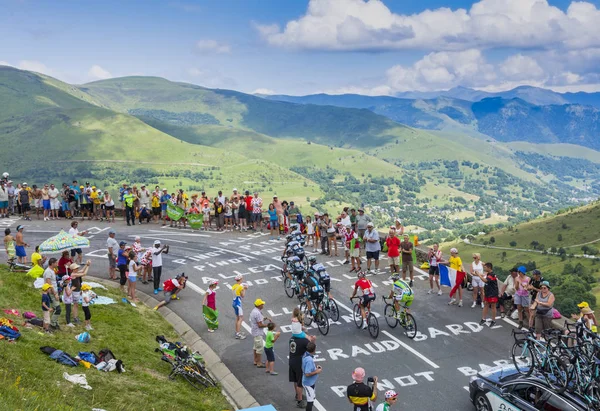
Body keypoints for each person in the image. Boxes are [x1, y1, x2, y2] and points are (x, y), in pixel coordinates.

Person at [289, 327, 315, 409]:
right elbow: (311, 348)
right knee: (300, 383)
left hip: (292, 360)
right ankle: (300, 401)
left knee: (295, 380)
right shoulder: (304, 341)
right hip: (299, 362)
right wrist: (312, 339)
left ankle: (297, 395)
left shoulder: (291, 339)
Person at [250, 298, 270, 368]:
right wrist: (268, 325)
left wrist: (265, 318)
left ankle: (256, 360)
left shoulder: (254, 311)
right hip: (258, 332)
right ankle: (259, 363)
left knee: (255, 347)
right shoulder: (257, 313)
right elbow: (260, 325)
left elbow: (258, 320)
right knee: (259, 347)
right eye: (262, 304)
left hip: (255, 331)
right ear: (259, 305)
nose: (263, 305)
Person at [477, 262, 498, 327]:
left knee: (493, 306)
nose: (484, 268)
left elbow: (485, 280)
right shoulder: (488, 274)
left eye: (485, 267)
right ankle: (483, 319)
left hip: (493, 293)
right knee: (486, 304)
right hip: (488, 292)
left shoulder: (492, 275)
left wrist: (479, 275)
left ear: (489, 268)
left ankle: (493, 320)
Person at [302, 341, 321, 411]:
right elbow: (307, 373)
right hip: (308, 383)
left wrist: (315, 368)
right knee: (310, 401)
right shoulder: (309, 360)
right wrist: (317, 371)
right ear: (314, 350)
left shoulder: (306, 355)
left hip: (310, 382)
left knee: (312, 398)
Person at [44, 258, 61, 330]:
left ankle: (55, 323)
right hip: (51, 293)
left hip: (54, 292)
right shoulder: (48, 272)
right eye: (56, 263)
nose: (57, 264)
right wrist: (55, 294)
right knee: (58, 309)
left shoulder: (52, 270)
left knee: (55, 308)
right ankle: (53, 324)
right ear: (52, 263)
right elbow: (49, 283)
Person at [232, 274, 247, 339]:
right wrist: (245, 289)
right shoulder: (241, 287)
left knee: (238, 318)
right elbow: (243, 296)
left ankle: (237, 331)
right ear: (240, 279)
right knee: (241, 318)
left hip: (234, 303)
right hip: (238, 304)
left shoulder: (234, 286)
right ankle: (238, 334)